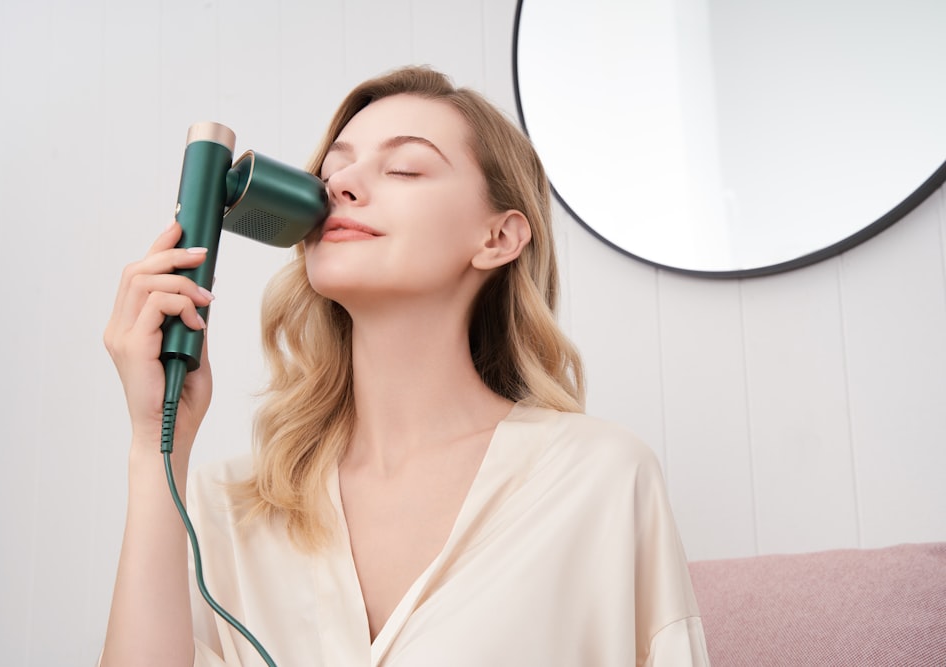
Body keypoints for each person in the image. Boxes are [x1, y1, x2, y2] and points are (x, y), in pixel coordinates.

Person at [101, 66, 709, 666]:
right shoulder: (225, 509)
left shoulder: (599, 480)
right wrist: (157, 445)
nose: (341, 185)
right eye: (334, 168)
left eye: (405, 168)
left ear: (498, 237)